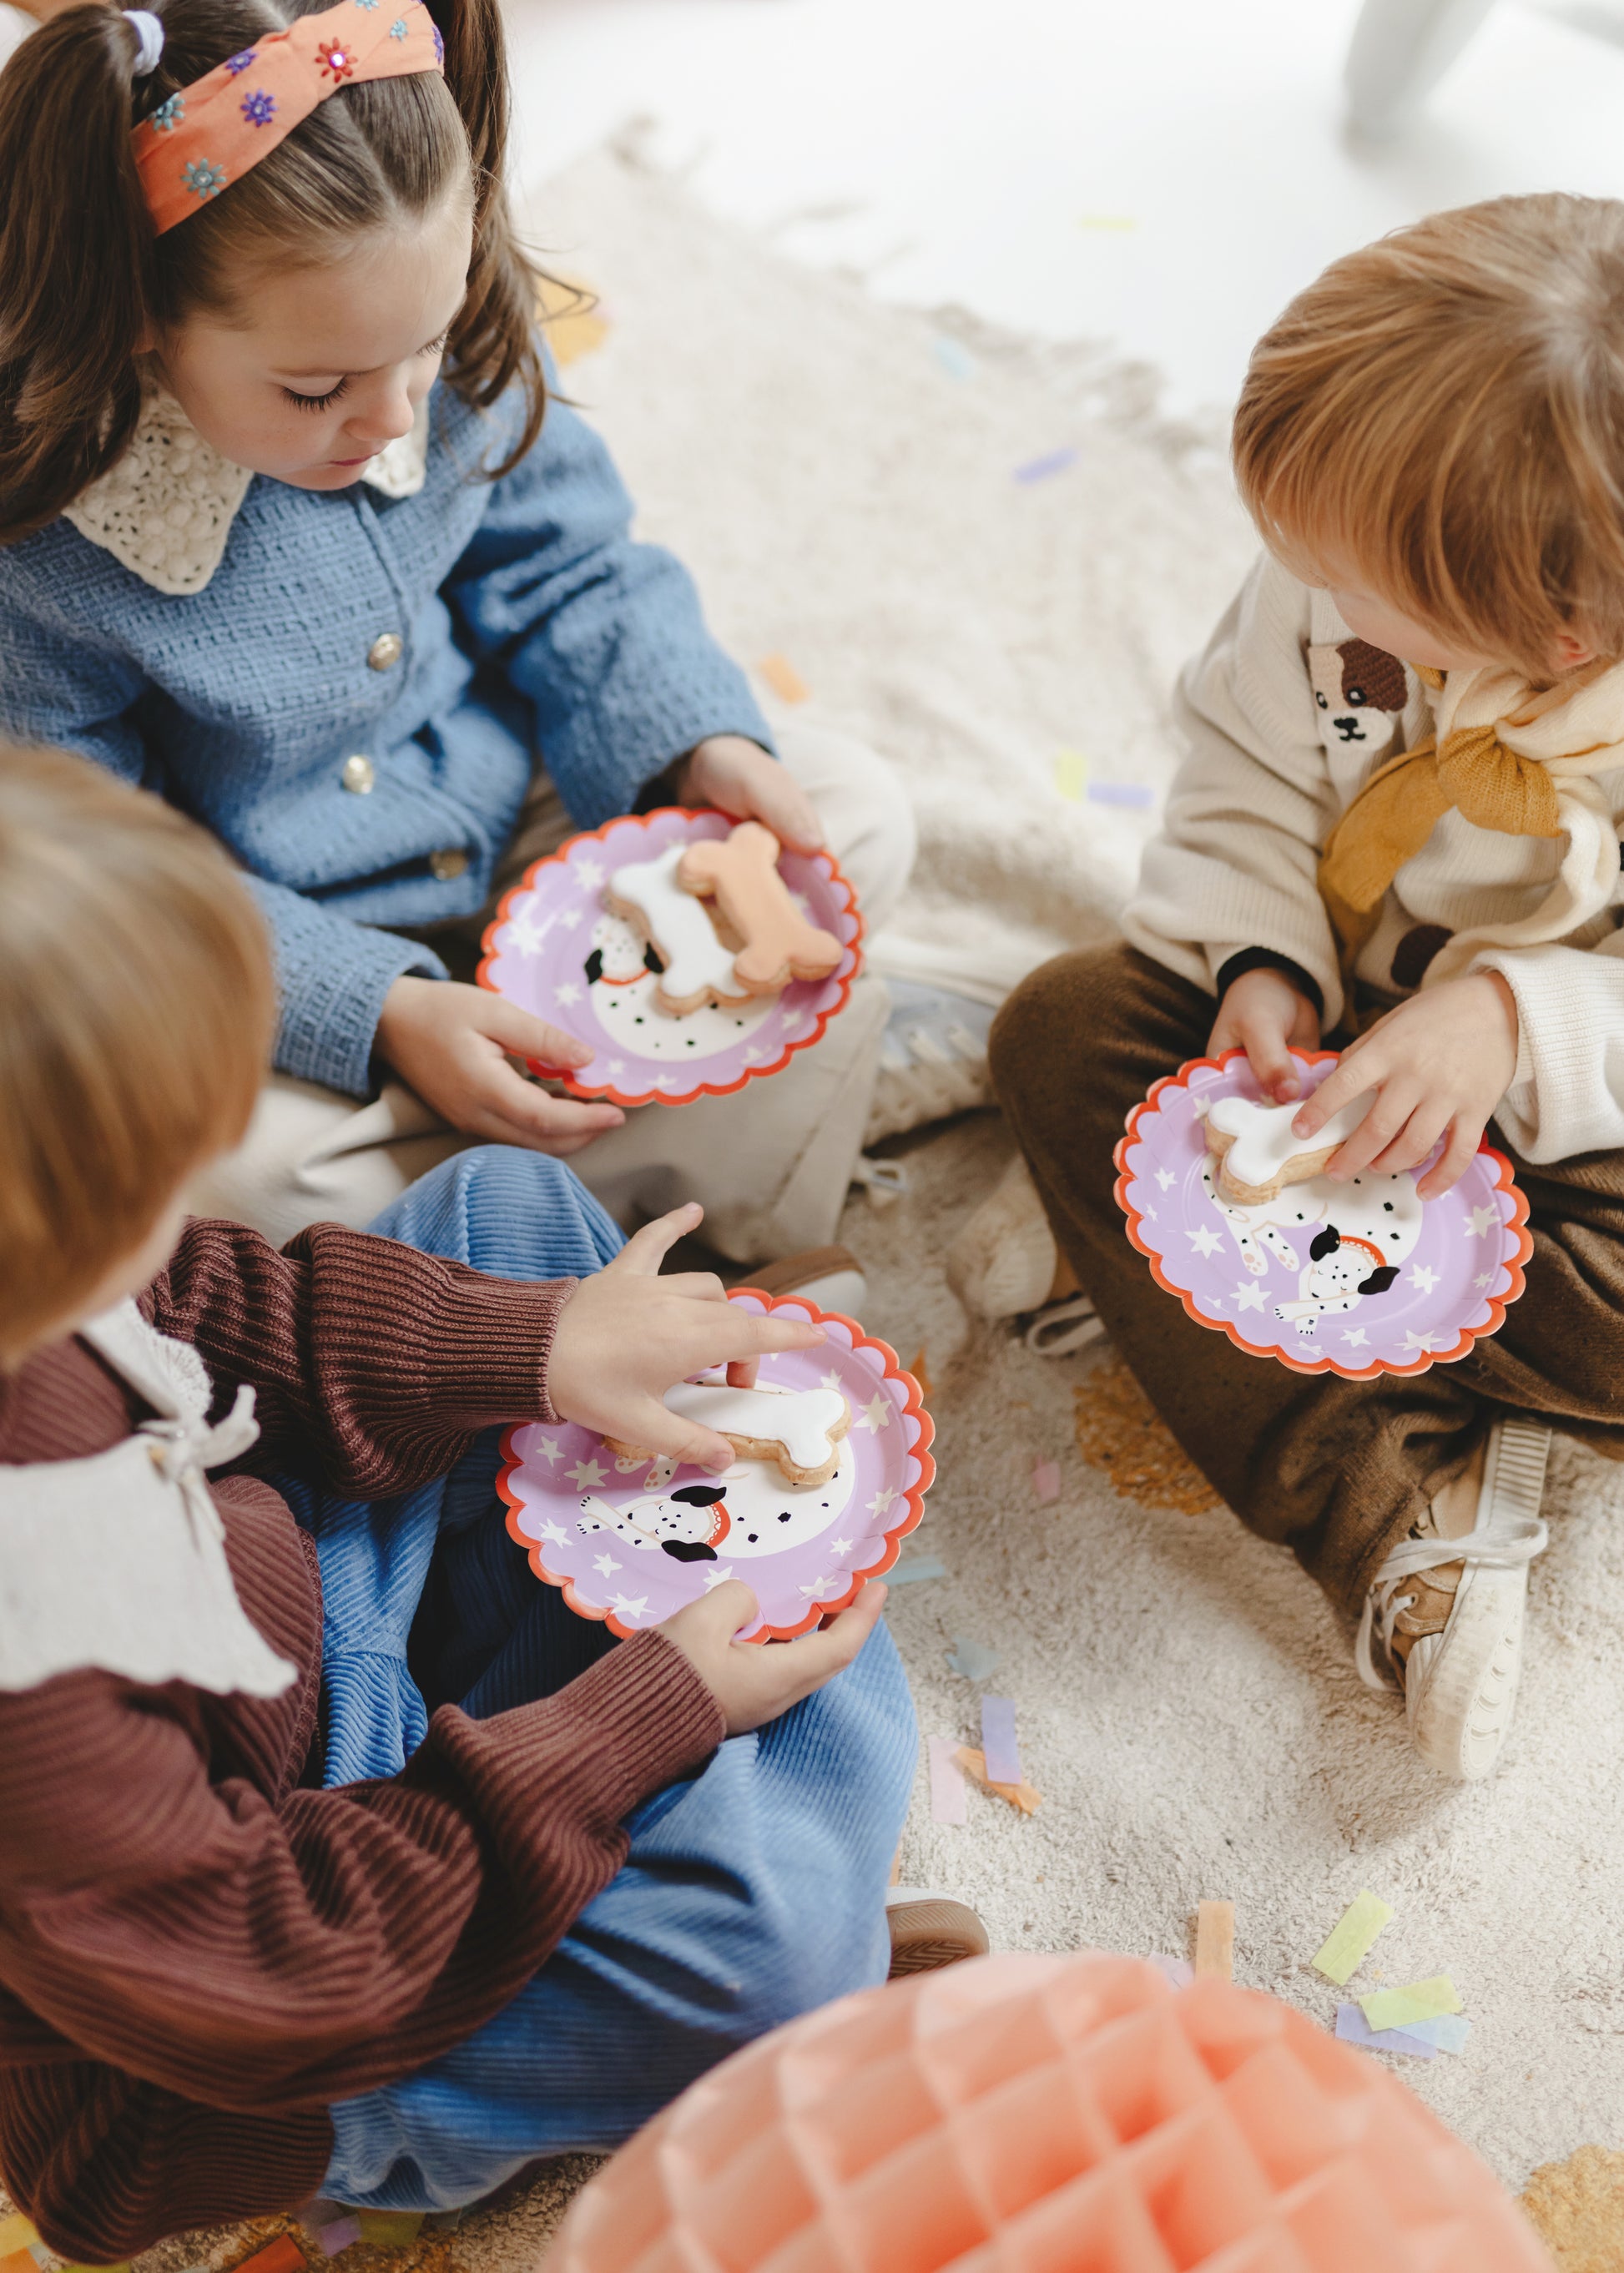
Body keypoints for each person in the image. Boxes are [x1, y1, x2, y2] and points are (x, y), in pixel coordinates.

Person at [0, 748, 989, 2260]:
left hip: (274, 1623)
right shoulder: (37, 1697)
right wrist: (641, 1719)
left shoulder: (60, 1294)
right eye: (147, 1195)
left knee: (504, 1221)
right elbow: (286, 1968)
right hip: (255, 1991)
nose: (180, 1223)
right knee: (760, 1951)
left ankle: (681, 1761)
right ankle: (711, 1917)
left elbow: (210, 1300)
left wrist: (534, 1349)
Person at [0, 0, 917, 1268]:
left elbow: (572, 565)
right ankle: (544, 1251)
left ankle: (691, 1227)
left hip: (513, 795)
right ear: (143, 319)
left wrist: (683, 744)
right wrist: (378, 1008)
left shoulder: (430, 327)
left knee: (846, 808)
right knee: (221, 1190)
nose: (392, 416)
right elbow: (113, 882)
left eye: (424, 348)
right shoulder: (49, 543)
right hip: (270, 933)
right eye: (314, 391)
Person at [951, 194, 1624, 1782]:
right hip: (1321, 1046)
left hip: (1562, 1114)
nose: (1296, 586)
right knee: (1056, 1028)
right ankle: (1380, 1496)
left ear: (1565, 624)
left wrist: (1512, 1022)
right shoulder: (1326, 577)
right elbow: (1245, 768)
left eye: (1345, 580)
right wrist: (1258, 956)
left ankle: (1177, 1269)